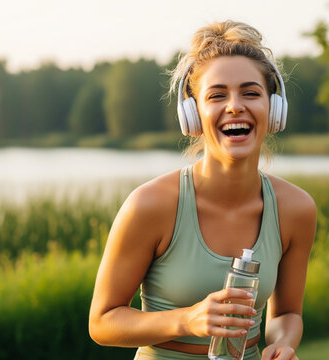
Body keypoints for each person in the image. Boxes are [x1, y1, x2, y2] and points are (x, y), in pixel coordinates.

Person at [88, 20, 316, 360]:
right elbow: (102, 323)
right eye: (217, 95)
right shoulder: (150, 205)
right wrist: (187, 320)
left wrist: (282, 343)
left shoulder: (296, 209)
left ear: (274, 109)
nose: (235, 105)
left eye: (251, 93)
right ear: (192, 114)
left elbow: (286, 314)